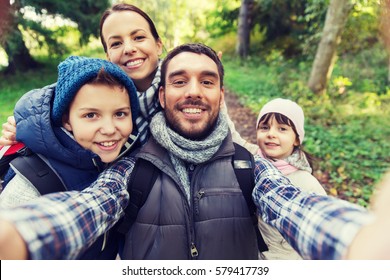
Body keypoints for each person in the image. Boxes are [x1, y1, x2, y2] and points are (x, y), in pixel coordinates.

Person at [0, 43, 386, 260]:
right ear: (162, 94)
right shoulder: (130, 166)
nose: (194, 91)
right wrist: (20, 234)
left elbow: (294, 206)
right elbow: (90, 207)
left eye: (207, 80)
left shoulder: (247, 164)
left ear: (221, 93)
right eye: (180, 80)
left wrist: (357, 238)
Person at [0, 3, 256, 153]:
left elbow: (231, 140)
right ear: (107, 54)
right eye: (116, 43)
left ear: (158, 45)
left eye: (138, 37)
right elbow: (57, 98)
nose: (129, 48)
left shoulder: (183, 90)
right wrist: (24, 125)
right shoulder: (98, 90)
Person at [0, 55, 140, 259]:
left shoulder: (111, 156)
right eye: (91, 115)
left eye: (120, 114)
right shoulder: (30, 183)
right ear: (66, 120)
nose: (110, 129)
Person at [255, 98, 326, 260]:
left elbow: (320, 235)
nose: (271, 134)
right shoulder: (253, 162)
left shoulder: (306, 183)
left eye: (282, 129)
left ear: (296, 139)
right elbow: (234, 136)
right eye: (264, 127)